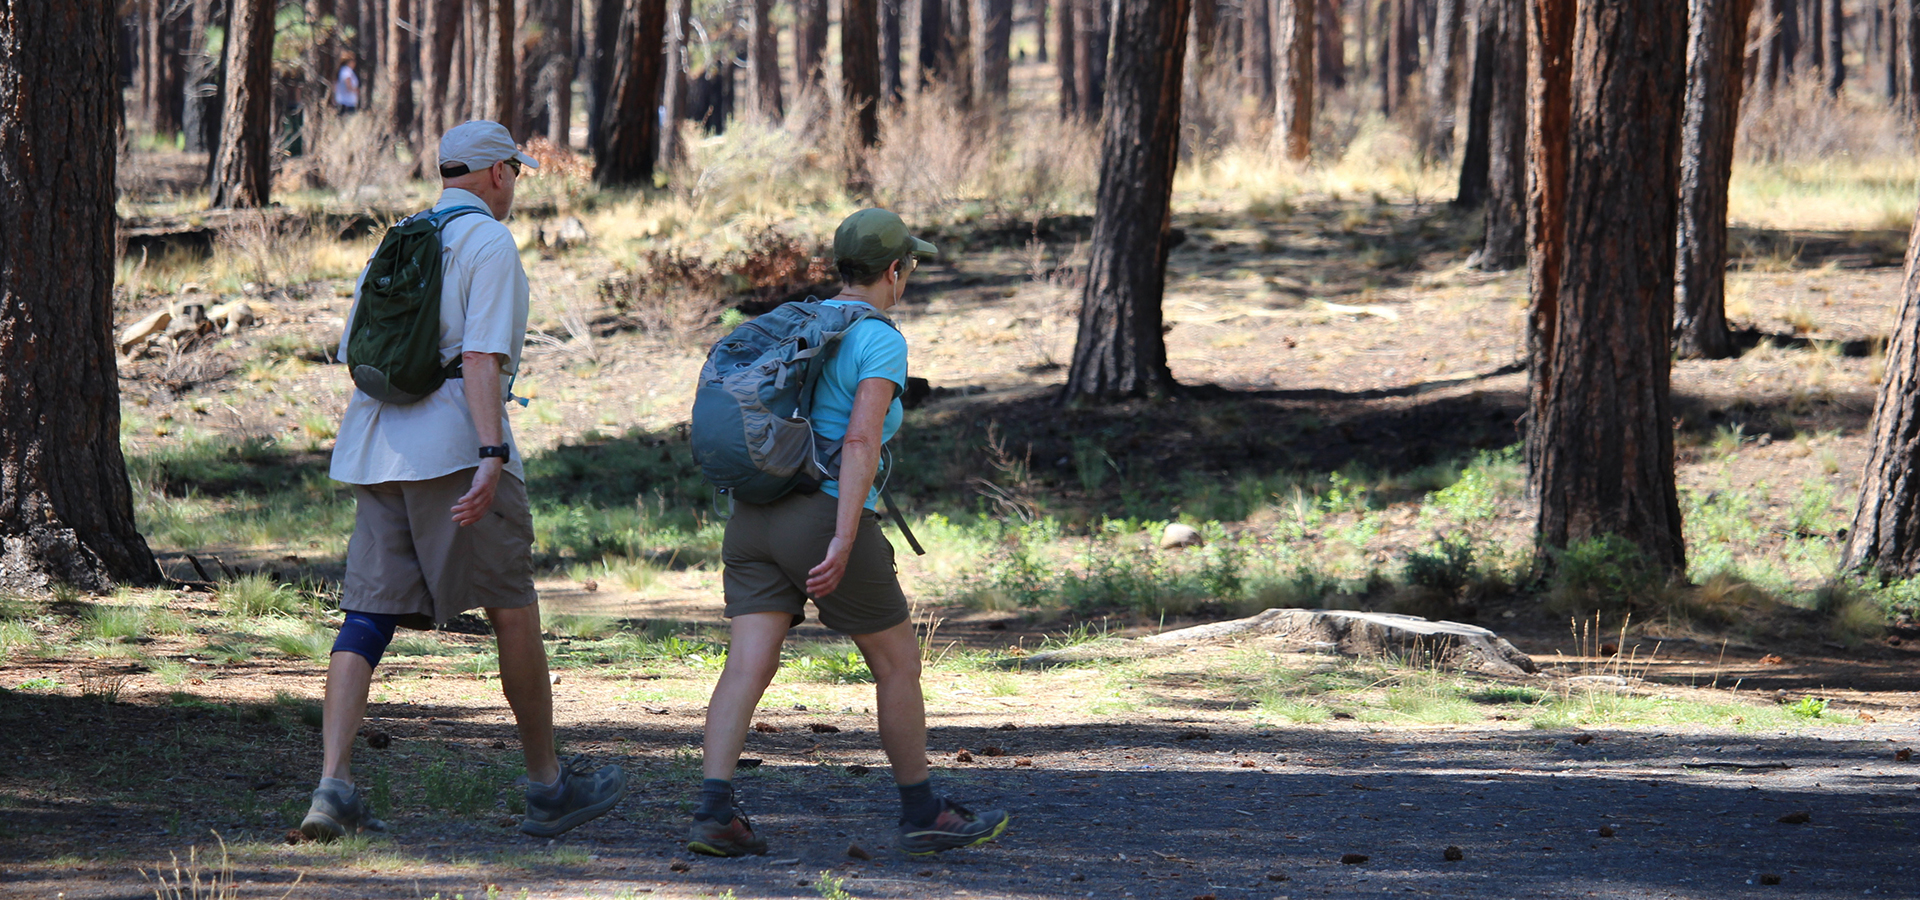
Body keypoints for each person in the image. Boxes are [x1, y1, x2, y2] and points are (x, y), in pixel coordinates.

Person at [300, 121, 626, 842]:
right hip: (453, 448)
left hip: (376, 446)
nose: (515, 184)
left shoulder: (400, 236)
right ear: (497, 174)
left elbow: (355, 348)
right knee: (511, 607)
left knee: (367, 616)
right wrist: (490, 452)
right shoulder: (490, 243)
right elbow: (482, 358)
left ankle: (332, 788)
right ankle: (548, 788)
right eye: (515, 170)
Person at [687, 209, 1010, 858]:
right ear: (894, 271)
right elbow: (861, 437)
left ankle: (713, 812)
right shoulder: (880, 338)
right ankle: (923, 811)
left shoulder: (802, 321)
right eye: (908, 267)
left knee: (747, 663)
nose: (908, 277)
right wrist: (841, 538)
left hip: (752, 516)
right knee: (896, 663)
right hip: (822, 515)